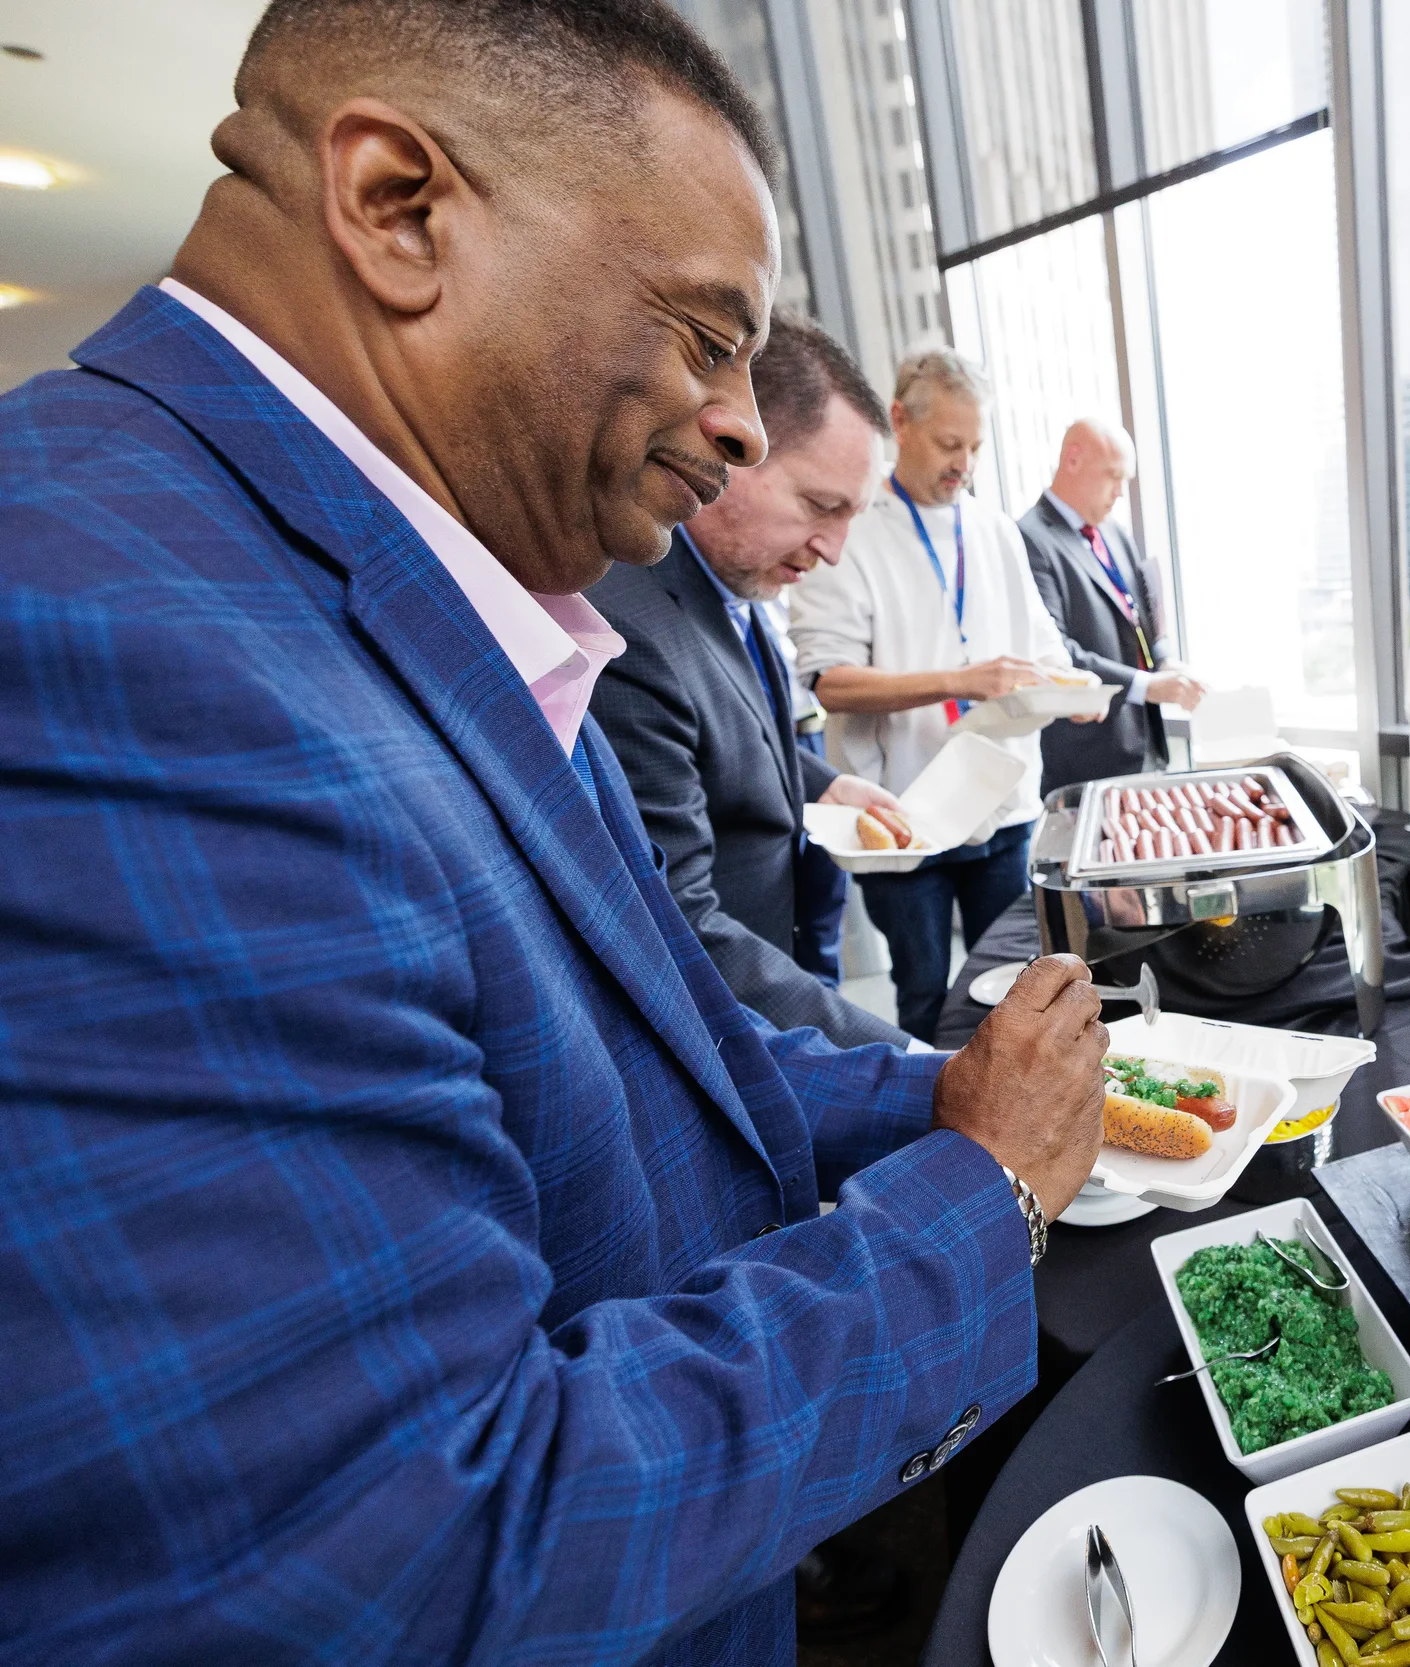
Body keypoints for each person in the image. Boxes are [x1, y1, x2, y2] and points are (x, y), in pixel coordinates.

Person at [0, 3, 1107, 1662]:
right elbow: (414, 1553)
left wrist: (949, 1098)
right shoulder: (105, 636)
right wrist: (982, 1192)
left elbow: (663, 1075)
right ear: (399, 207)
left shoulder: (448, 602)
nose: (739, 424)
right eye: (708, 337)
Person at [588, 313, 910, 1051]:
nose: (833, 550)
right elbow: (685, 927)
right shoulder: (632, 633)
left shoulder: (737, 586)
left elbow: (727, 736)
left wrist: (822, 782)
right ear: (731, 446)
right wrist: (904, 1058)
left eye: (850, 517)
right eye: (820, 507)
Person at [788, 349, 1086, 1042]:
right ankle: (940, 1136)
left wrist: (1072, 687)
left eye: (976, 447)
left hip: (1002, 809)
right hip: (904, 812)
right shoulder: (851, 531)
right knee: (924, 991)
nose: (965, 464)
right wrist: (960, 679)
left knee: (1014, 987)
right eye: (951, 444)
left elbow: (1043, 646)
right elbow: (828, 680)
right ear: (900, 421)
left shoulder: (993, 529)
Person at [1021, 417, 1204, 793]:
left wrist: (1165, 659)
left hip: (1144, 744)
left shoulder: (1113, 532)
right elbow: (1057, 652)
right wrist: (1146, 685)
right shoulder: (1030, 538)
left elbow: (1142, 615)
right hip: (1085, 759)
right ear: (1073, 460)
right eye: (1113, 475)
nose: (1120, 491)